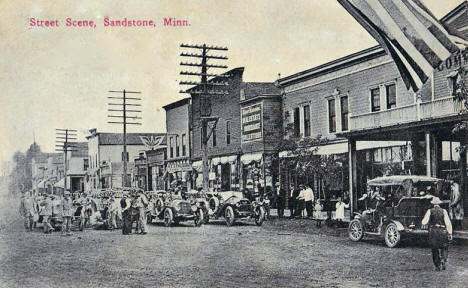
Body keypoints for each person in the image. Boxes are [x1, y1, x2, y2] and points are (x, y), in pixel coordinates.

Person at [422, 197, 453, 271]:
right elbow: (448, 223)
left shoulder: (430, 211)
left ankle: (437, 265)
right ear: (439, 204)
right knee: (444, 247)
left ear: (433, 204)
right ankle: (443, 259)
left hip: (433, 231)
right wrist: (450, 233)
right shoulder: (444, 211)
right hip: (442, 230)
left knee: (434, 248)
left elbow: (424, 222)